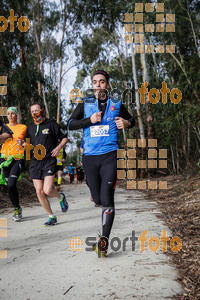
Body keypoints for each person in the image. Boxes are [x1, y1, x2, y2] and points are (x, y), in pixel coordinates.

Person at [67, 70, 135, 256]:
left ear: (107, 85)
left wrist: (126, 123)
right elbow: (70, 124)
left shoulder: (116, 103)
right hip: (89, 156)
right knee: (97, 197)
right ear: (92, 85)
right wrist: (89, 120)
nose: (98, 85)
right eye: (95, 82)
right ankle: (95, 197)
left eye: (102, 82)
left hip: (109, 155)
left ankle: (104, 241)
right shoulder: (85, 103)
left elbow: (132, 119)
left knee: (107, 198)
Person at [19, 103, 69, 226]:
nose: (35, 113)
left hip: (49, 161)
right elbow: (28, 145)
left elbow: (65, 138)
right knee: (39, 192)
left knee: (47, 190)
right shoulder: (30, 127)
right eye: (32, 111)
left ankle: (60, 197)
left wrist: (58, 148)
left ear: (42, 110)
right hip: (35, 162)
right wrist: (22, 144)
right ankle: (51, 216)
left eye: (37, 110)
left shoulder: (51, 124)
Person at [0, 107, 26, 221]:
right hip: (4, 158)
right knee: (9, 186)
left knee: (11, 184)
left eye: (12, 113)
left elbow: (28, 143)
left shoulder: (23, 127)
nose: (10, 115)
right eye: (8, 114)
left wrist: (23, 143)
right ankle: (17, 208)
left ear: (16, 115)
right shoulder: (2, 127)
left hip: (17, 157)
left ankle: (16, 208)